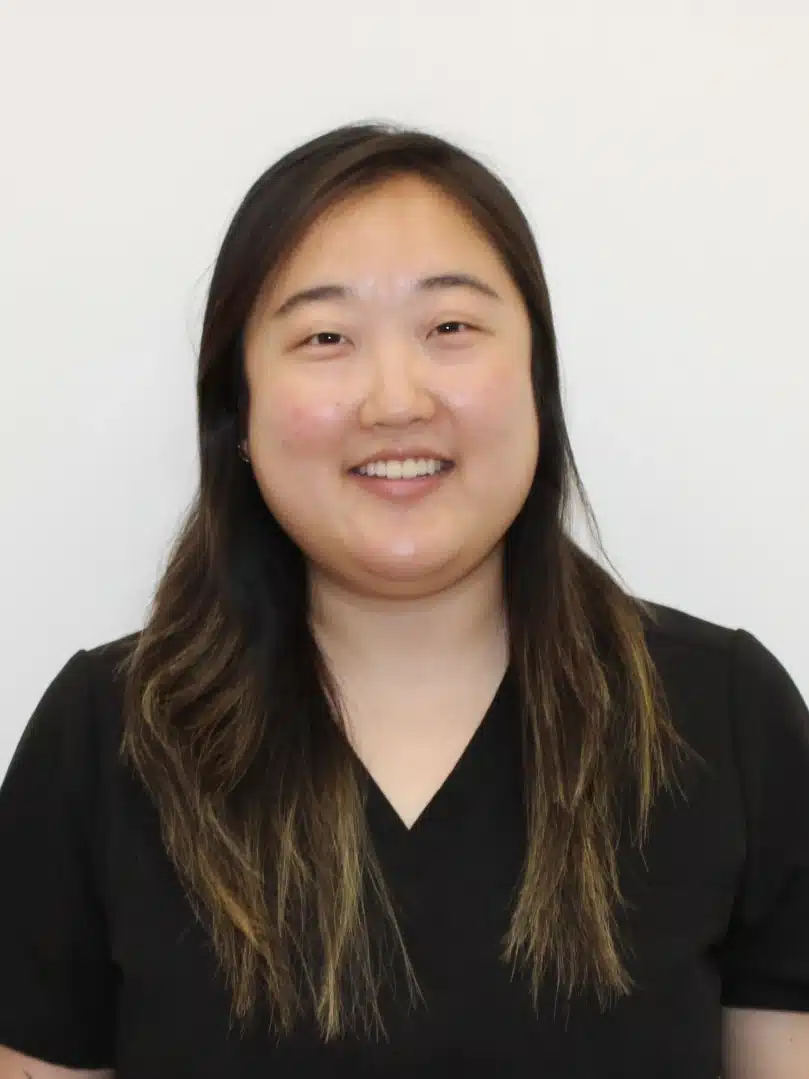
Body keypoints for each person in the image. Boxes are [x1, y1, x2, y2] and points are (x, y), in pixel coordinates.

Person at [1, 122, 808, 1079]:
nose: (395, 399)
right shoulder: (105, 738)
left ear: (537, 382)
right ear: (240, 414)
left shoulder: (722, 717)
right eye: (325, 337)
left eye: (450, 329)